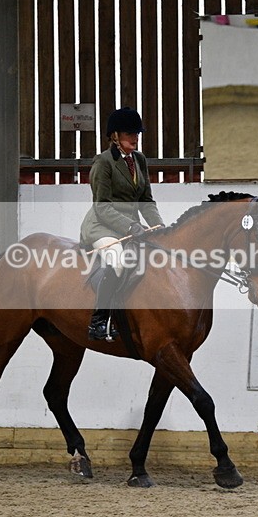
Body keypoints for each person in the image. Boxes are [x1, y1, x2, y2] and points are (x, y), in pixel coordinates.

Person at [80, 107, 164, 341]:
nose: (135, 138)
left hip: (131, 228)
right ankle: (99, 321)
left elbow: (146, 200)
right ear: (115, 136)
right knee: (118, 262)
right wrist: (130, 226)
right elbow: (102, 206)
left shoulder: (139, 160)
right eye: (130, 134)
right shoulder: (103, 163)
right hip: (103, 226)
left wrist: (160, 227)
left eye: (137, 133)